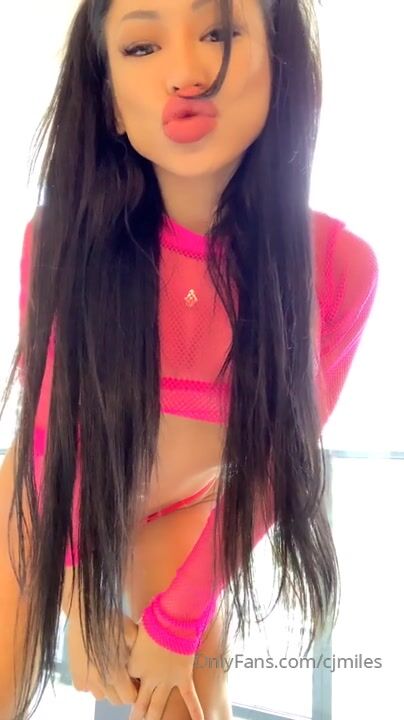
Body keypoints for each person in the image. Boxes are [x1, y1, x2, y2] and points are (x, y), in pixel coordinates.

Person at [0, 1, 379, 719]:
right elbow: (52, 428)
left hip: (191, 515)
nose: (186, 72)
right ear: (111, 103)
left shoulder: (336, 268)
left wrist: (178, 624)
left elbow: (276, 467)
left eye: (219, 33)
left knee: (188, 704)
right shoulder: (58, 242)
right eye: (142, 48)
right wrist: (79, 590)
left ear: (280, 67)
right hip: (51, 498)